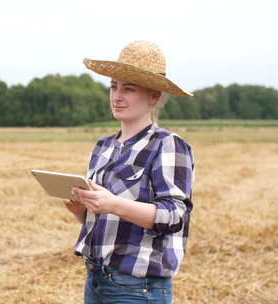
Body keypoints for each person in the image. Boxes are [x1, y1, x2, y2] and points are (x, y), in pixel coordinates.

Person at [64, 40, 195, 304]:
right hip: (96, 278)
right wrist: (82, 209)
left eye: (129, 88)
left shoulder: (167, 145)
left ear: (154, 96)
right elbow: (109, 222)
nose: (117, 96)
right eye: (113, 86)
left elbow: (174, 217)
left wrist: (113, 204)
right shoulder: (103, 147)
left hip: (137, 287)